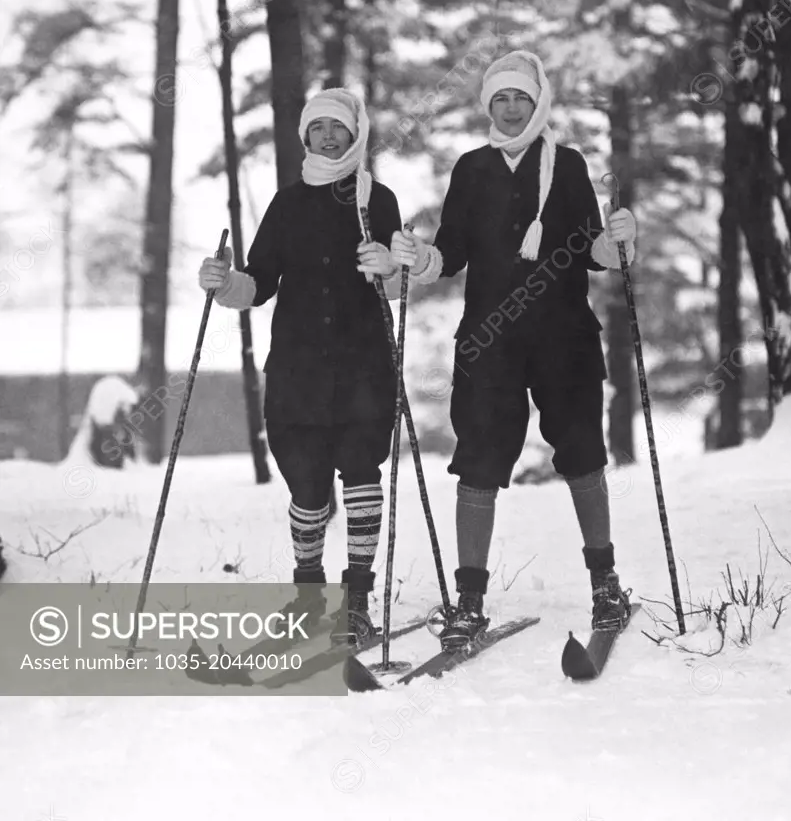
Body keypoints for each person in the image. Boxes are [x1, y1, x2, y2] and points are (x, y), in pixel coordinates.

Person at [389, 51, 638, 650]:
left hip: (564, 339)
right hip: (489, 342)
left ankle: (606, 585)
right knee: (477, 460)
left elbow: (590, 250)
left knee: (581, 451)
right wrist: (419, 259)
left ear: (538, 101)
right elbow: (450, 252)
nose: (509, 106)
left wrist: (616, 243)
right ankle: (469, 602)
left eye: (520, 97)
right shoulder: (471, 169)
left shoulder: (570, 166)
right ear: (487, 106)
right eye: (499, 97)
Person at [198, 88, 402, 645]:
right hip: (298, 368)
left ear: (355, 133)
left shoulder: (376, 201)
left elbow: (400, 281)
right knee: (307, 486)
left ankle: (356, 599)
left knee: (362, 472)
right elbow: (258, 282)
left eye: (338, 128)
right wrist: (224, 283)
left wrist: (389, 266)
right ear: (305, 137)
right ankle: (308, 597)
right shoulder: (287, 205)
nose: (328, 137)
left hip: (364, 366)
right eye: (318, 129)